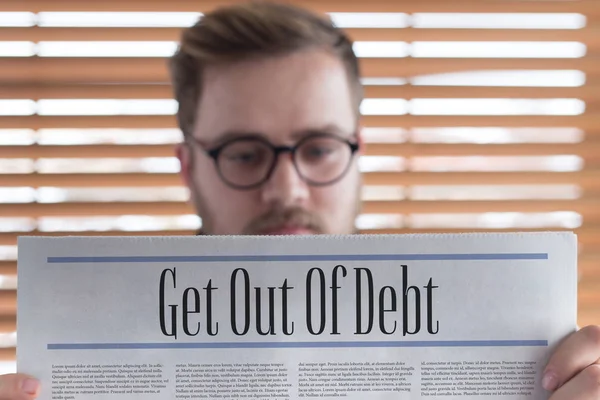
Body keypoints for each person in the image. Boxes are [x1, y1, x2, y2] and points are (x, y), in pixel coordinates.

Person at [4, 2, 599, 399]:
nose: (285, 189)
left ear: (356, 152)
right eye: (243, 153)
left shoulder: (505, 347)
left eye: (317, 149)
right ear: (187, 168)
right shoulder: (72, 362)